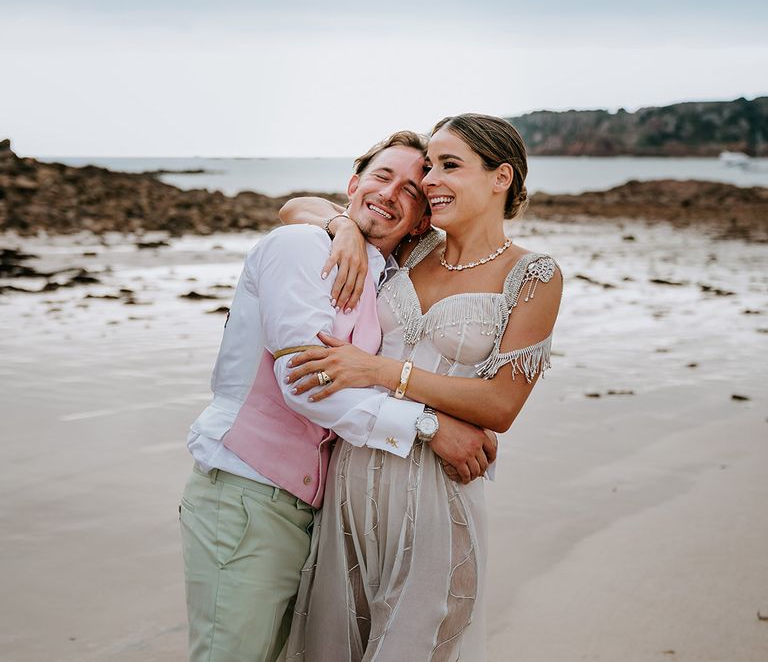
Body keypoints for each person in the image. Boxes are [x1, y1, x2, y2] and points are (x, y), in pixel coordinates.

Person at [179, 130, 496, 662]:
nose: (392, 193)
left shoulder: (389, 280)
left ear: (422, 219)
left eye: (412, 191)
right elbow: (307, 384)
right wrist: (430, 426)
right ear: (353, 184)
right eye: (381, 177)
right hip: (246, 492)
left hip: (315, 510)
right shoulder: (302, 247)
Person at [279, 113, 563, 661]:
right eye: (428, 166)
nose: (430, 179)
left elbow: (501, 405)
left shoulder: (533, 276)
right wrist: (345, 230)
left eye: (449, 166)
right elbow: (295, 209)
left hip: (439, 490)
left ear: (501, 177)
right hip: (351, 481)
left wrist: (381, 371)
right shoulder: (412, 249)